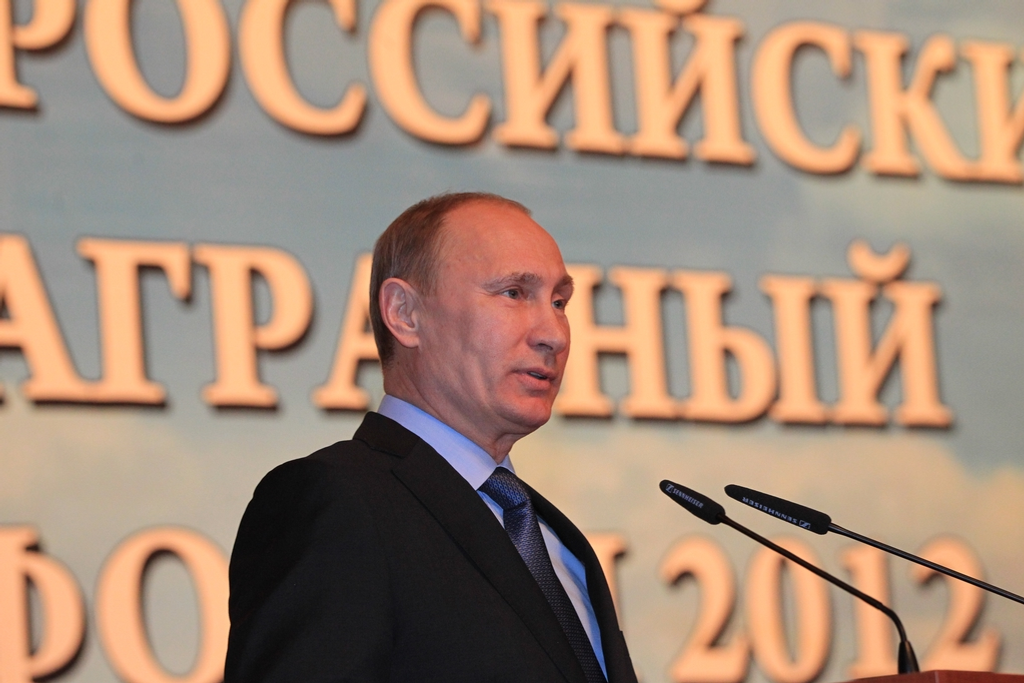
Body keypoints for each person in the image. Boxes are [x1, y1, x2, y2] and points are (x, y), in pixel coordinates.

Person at [224, 192, 638, 683]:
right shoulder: (337, 501)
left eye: (559, 302)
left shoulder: (555, 539)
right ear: (405, 313)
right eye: (513, 293)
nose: (555, 334)